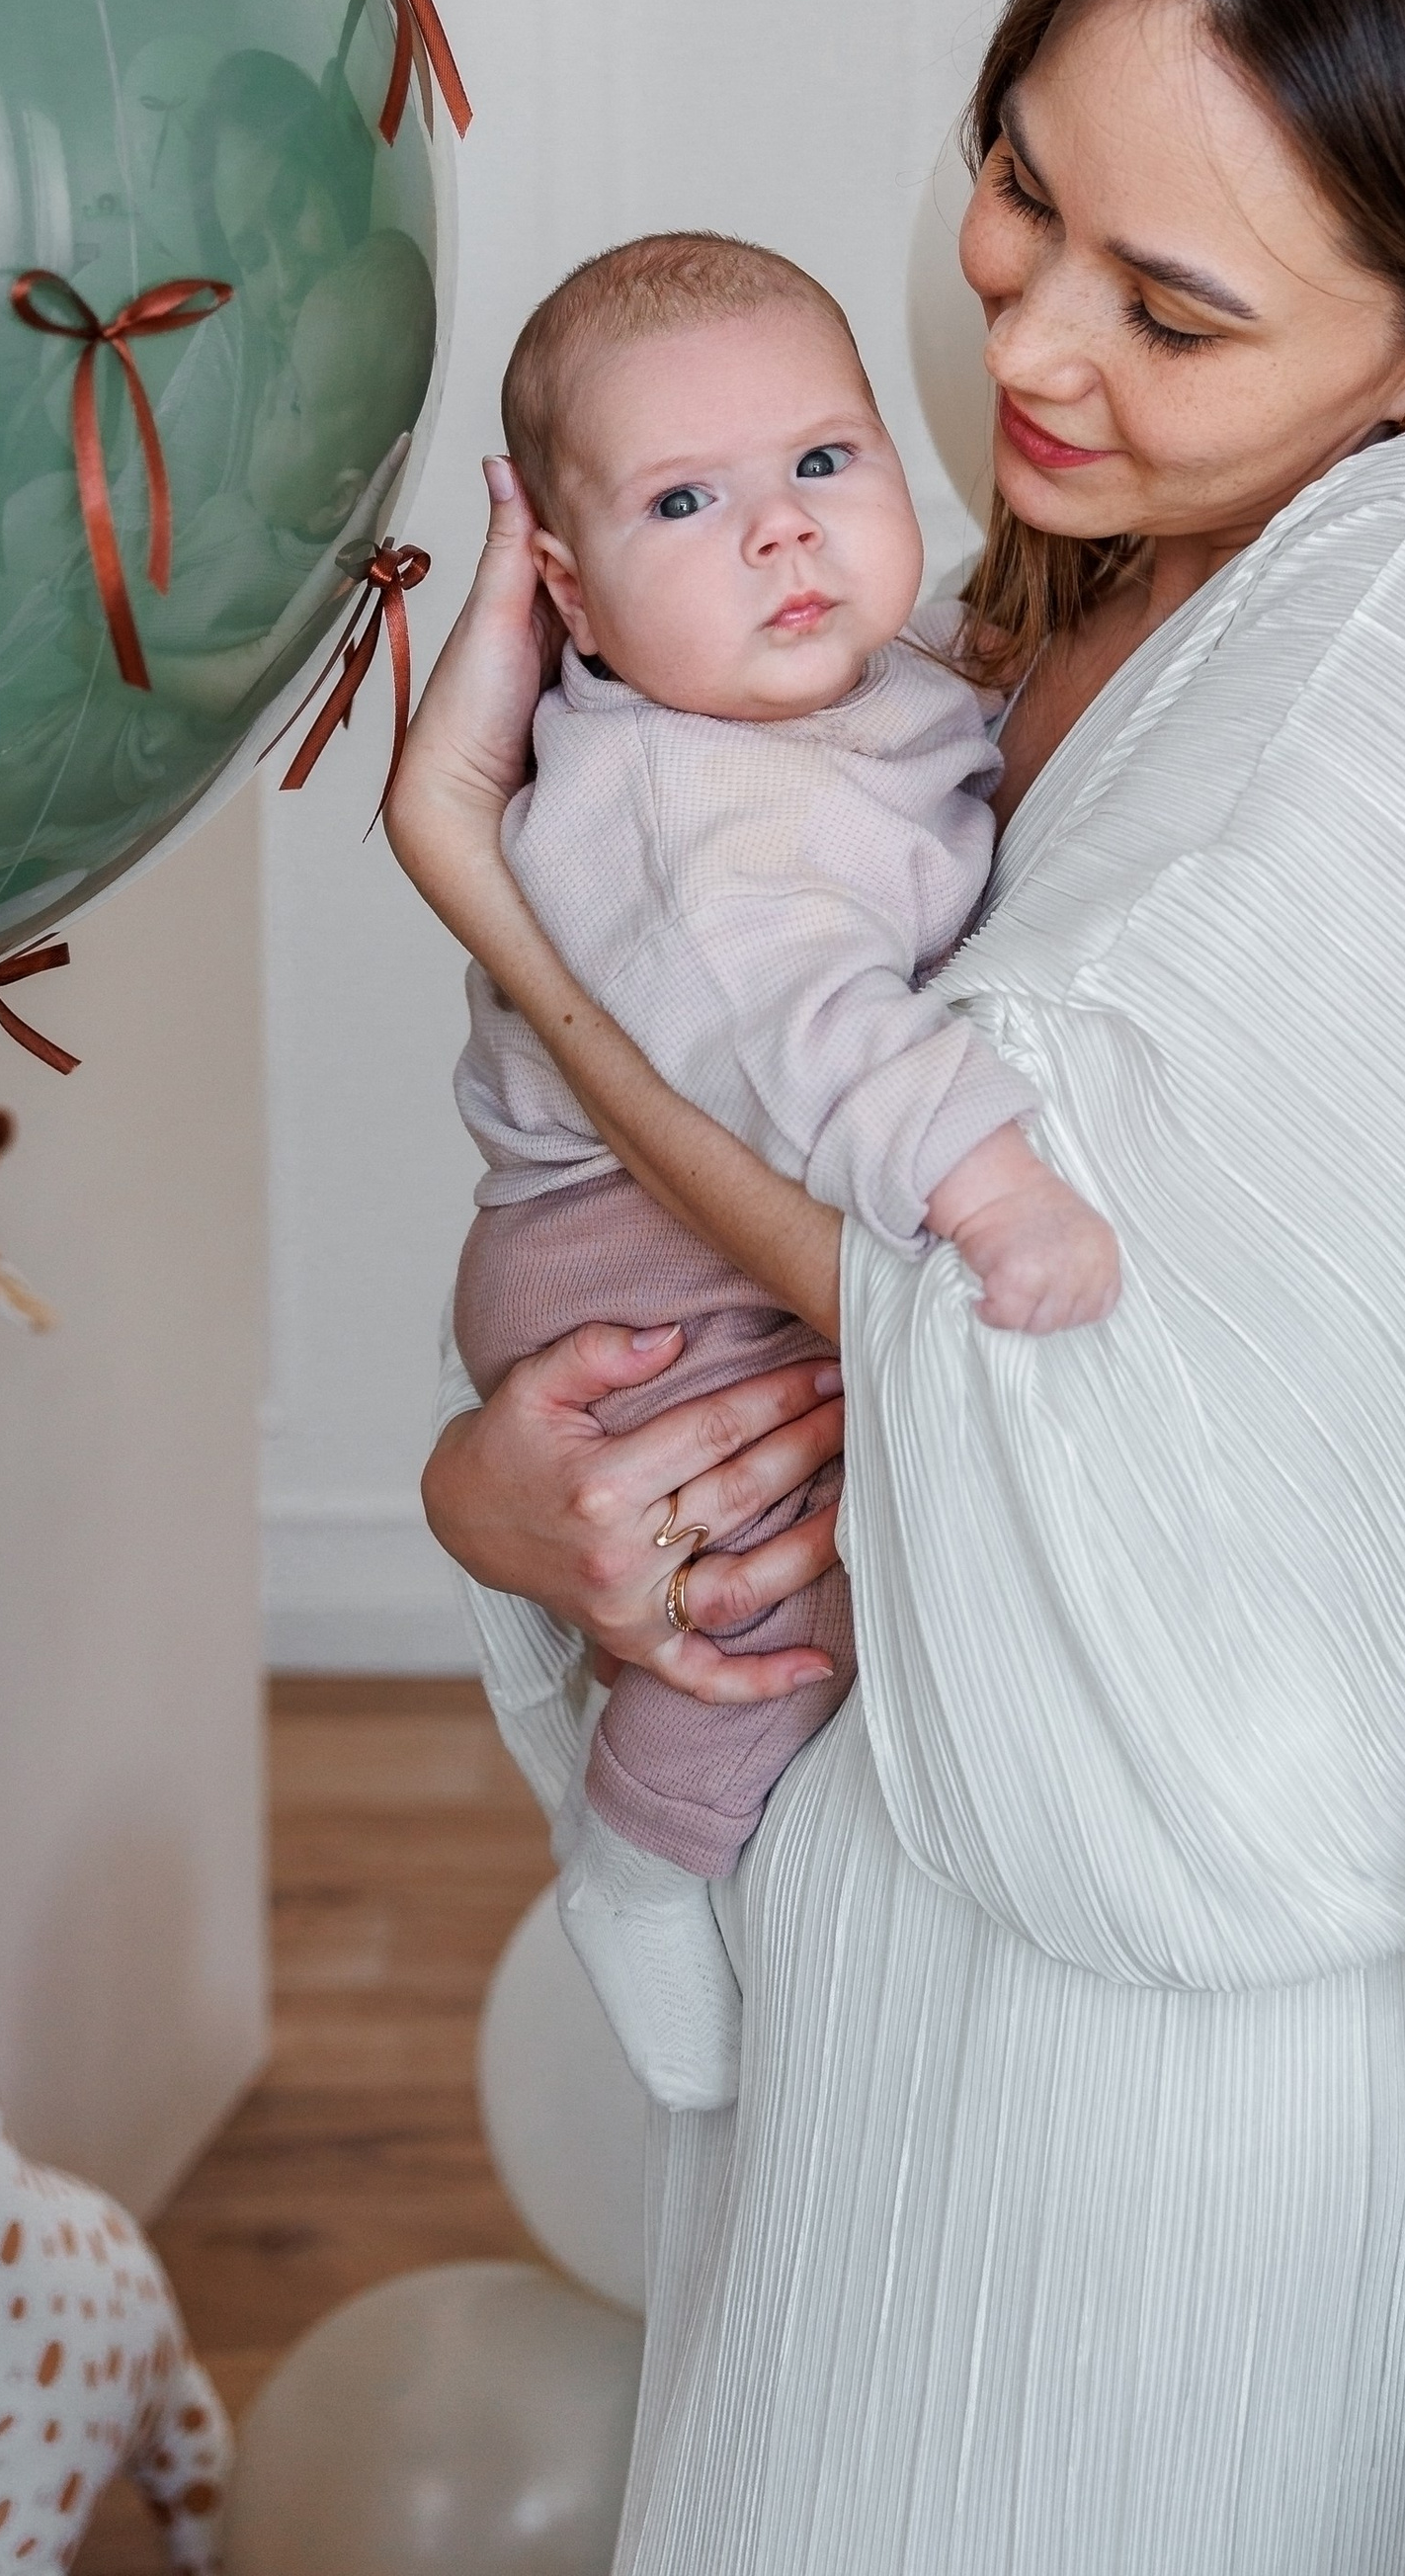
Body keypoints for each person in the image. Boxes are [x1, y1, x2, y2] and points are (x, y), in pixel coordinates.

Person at [389, 0, 1405, 2576]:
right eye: (1022, 188)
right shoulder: (1041, 589)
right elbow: (765, 1199)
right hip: (892, 1953)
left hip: (1151, 2057)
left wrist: (493, 914)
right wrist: (501, 1487)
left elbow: (1057, 1332)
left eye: (1171, 303)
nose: (1024, 344)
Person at [454, 226, 1116, 2111]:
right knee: (775, 1557)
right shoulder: (689, 815)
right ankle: (648, 1858)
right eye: (689, 500)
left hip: (689, 1193)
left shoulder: (851, 678)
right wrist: (992, 1190)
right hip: (619, 1255)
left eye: (825, 463)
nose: (784, 534)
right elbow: (814, 1037)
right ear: (569, 599)